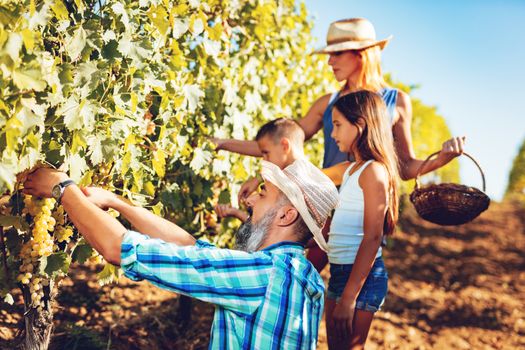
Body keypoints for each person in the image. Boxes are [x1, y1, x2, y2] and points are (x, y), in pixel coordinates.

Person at [212, 18, 465, 272]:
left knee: (350, 288)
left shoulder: (396, 101)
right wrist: (226, 147)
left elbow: (405, 166)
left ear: (362, 54)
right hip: (325, 208)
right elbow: (279, 143)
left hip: (365, 211)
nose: (329, 61)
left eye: (337, 53)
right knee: (300, 275)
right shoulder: (327, 103)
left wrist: (441, 160)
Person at [22, 157, 339, 349]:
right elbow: (192, 249)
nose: (250, 201)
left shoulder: (261, 276)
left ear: (286, 216)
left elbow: (119, 248)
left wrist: (63, 188)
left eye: (263, 194)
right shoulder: (303, 275)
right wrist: (118, 203)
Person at [324, 90, 398, 349]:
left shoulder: (373, 172)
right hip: (339, 272)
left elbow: (373, 237)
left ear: (360, 125)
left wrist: (348, 299)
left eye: (337, 125)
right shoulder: (350, 170)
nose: (332, 134)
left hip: (359, 279)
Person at [215, 118, 306, 223]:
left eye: (266, 153)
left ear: (285, 146)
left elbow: (269, 233)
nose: (264, 160)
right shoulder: (298, 177)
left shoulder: (293, 186)